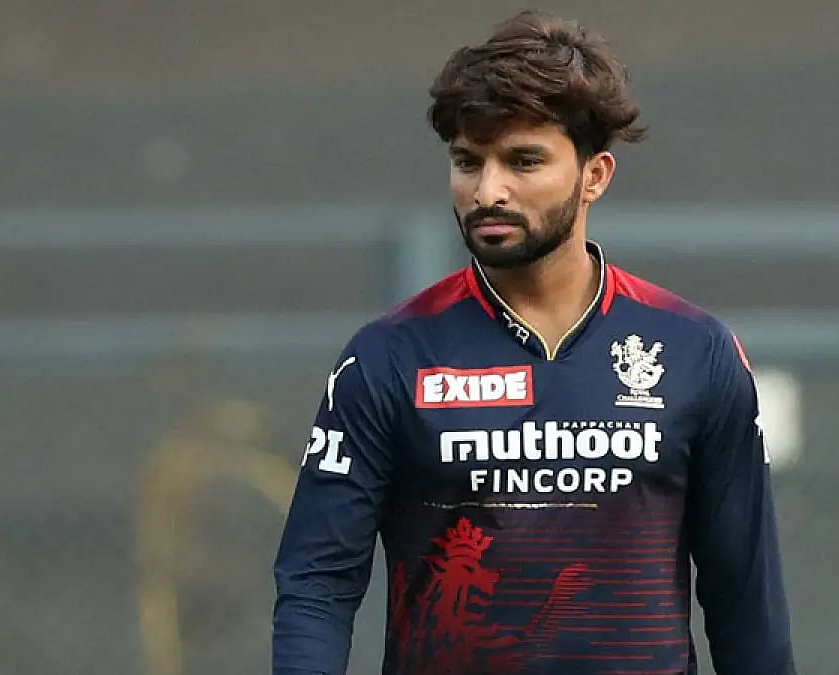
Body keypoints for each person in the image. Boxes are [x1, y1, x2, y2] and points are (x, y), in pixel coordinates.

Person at [271, 10, 795, 675]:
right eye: (468, 162)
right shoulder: (387, 357)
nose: (487, 190)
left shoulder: (697, 350)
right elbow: (317, 584)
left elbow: (746, 603)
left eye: (523, 160)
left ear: (594, 175)